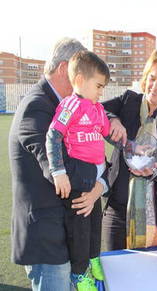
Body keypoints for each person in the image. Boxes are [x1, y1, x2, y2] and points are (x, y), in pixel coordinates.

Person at [9, 38, 108, 291]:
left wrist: (100, 183)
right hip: (46, 238)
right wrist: (100, 178)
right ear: (67, 70)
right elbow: (58, 168)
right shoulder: (36, 106)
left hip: (65, 231)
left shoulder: (69, 105)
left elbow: (91, 145)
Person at [101, 49, 157, 250]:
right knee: (113, 274)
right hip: (117, 209)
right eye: (152, 78)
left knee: (148, 277)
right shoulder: (128, 102)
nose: (155, 87)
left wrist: (156, 170)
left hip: (156, 217)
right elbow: (95, 110)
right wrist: (113, 118)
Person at [46, 50, 111, 290]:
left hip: (95, 179)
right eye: (99, 86)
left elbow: (108, 133)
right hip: (79, 182)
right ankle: (78, 274)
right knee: (80, 232)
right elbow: (53, 136)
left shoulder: (97, 108)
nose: (101, 92)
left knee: (95, 225)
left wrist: (127, 142)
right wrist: (58, 171)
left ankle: (94, 260)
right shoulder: (70, 105)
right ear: (81, 81)